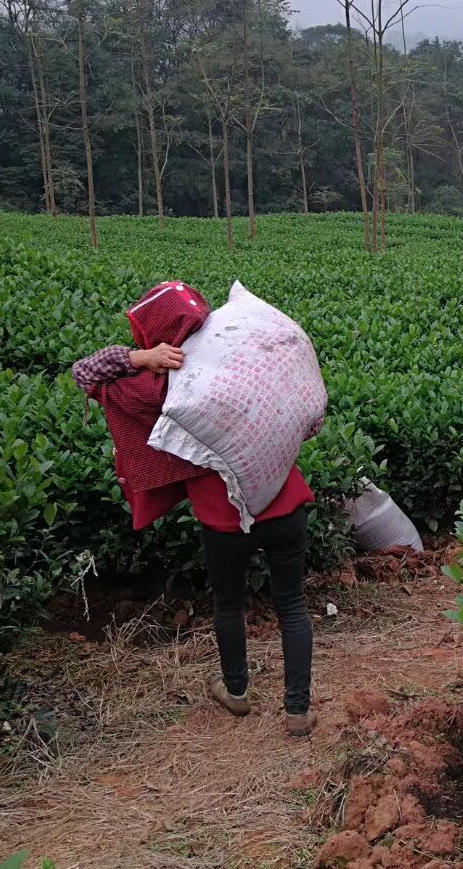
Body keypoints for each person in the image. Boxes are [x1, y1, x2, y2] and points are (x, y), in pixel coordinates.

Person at [72, 281, 317, 737]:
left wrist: (139, 358)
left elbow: (84, 373)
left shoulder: (156, 386)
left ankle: (237, 692)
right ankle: (298, 711)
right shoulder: (241, 351)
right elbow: (304, 411)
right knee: (292, 606)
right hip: (285, 506)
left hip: (222, 520)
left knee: (228, 604)